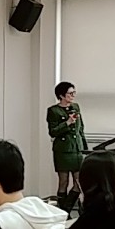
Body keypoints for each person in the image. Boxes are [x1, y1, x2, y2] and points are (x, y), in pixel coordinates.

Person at [47, 81, 87, 211]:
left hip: (77, 148)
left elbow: (81, 128)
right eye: (70, 93)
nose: (73, 95)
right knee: (63, 181)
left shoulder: (76, 107)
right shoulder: (53, 111)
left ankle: (66, 208)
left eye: (74, 92)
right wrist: (67, 123)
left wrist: (84, 146)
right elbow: (53, 131)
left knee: (80, 182)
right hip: (63, 150)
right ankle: (62, 210)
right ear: (61, 95)